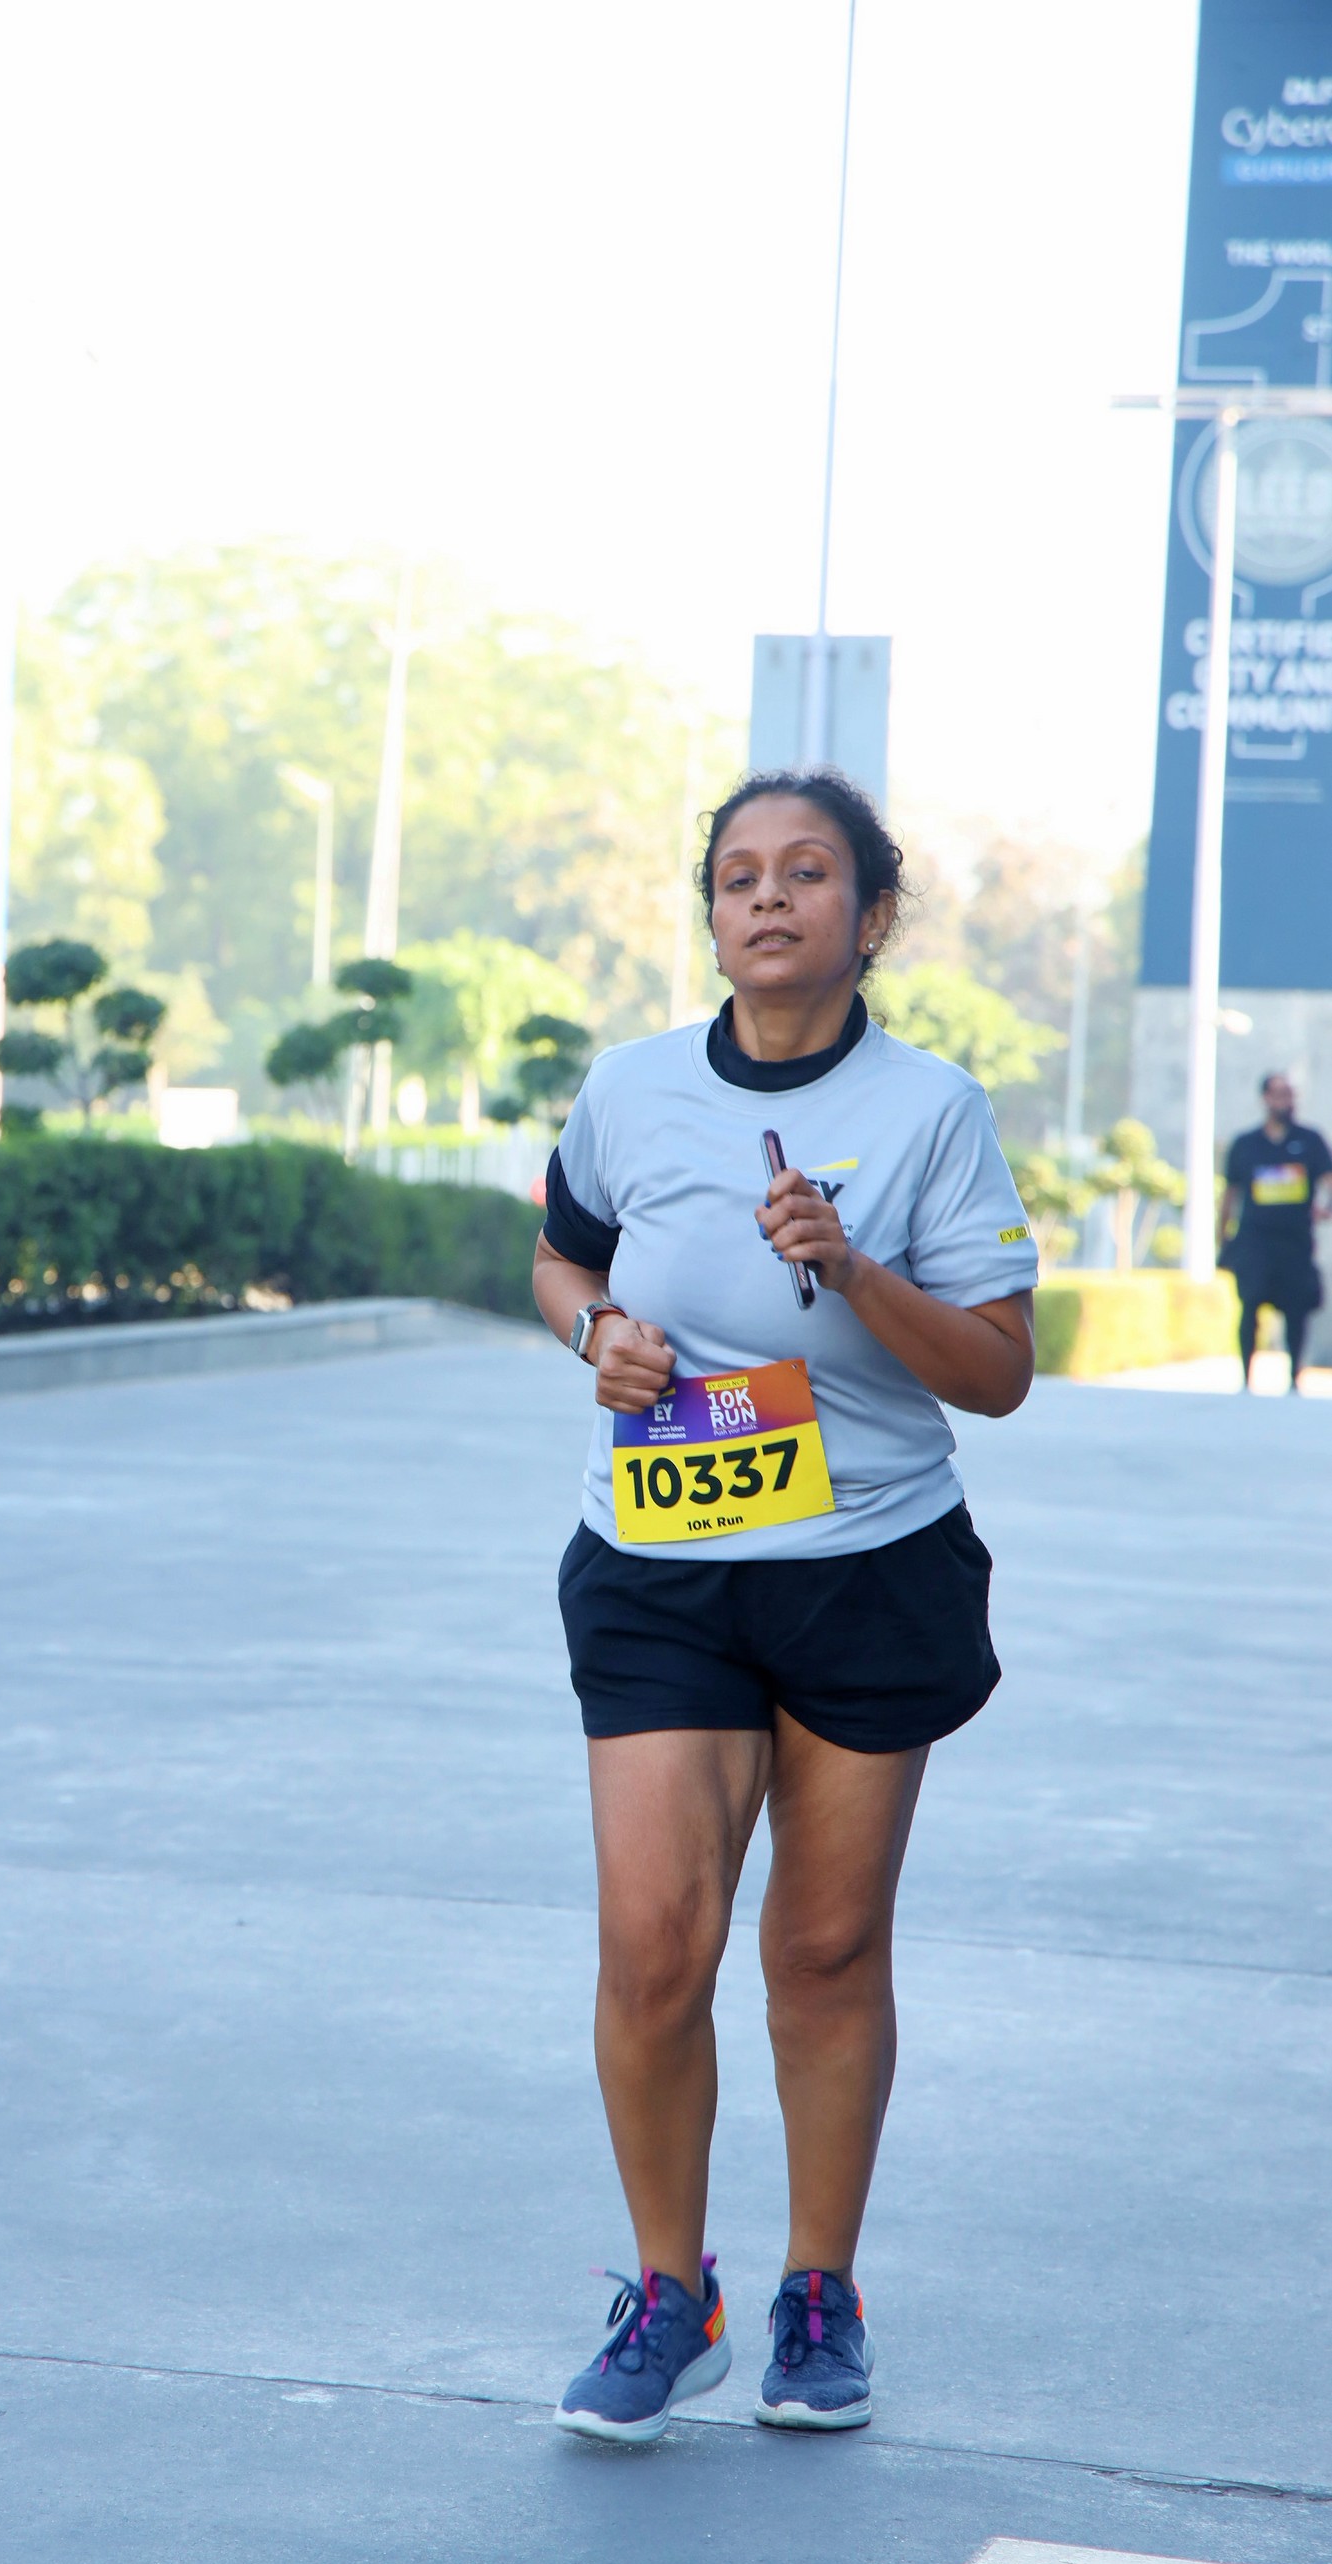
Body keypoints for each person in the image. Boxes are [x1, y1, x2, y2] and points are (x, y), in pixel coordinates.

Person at [532, 769, 1037, 2445]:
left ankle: (820, 2291)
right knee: (651, 1947)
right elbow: (559, 1256)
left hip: (866, 1563)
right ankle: (668, 2293)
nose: (767, 896)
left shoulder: (930, 1109)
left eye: (807, 871)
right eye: (739, 873)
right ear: (713, 912)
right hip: (661, 1561)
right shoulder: (631, 1087)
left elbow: (1000, 1370)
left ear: (869, 914)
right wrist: (594, 1331)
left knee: (821, 1948)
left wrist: (854, 1267)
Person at [1218, 1073, 1332, 1392]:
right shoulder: (1246, 1145)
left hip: (1295, 1242)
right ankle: (1246, 1376)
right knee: (1250, 1304)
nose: (1285, 1100)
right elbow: (1230, 1194)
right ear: (1265, 1098)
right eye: (1279, 1094)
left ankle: (1294, 1376)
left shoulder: (1310, 1141)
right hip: (1254, 1241)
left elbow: (1328, 1180)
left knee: (1297, 1309)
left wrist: (1326, 1210)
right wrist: (1223, 1237)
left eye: (1289, 1094)